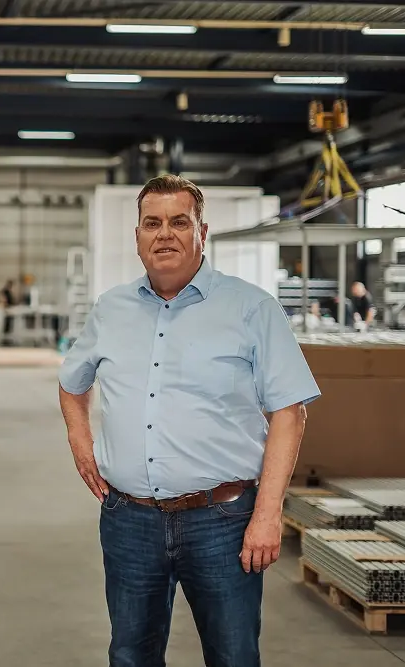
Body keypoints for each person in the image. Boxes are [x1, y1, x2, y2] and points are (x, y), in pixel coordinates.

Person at [57, 174, 320, 667]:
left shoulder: (252, 308)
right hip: (129, 520)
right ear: (137, 236)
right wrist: (80, 437)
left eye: (180, 221)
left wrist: (266, 515)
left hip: (222, 521)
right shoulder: (111, 309)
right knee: (130, 655)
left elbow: (290, 411)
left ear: (202, 231)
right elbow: (72, 383)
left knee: (233, 655)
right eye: (152, 223)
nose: (165, 234)